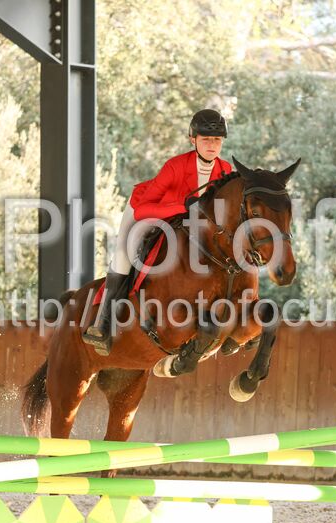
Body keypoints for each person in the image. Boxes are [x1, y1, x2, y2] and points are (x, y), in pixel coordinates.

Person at [83, 109, 233, 355]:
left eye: (217, 140)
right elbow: (144, 208)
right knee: (125, 252)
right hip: (149, 210)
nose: (212, 145)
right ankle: (104, 322)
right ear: (193, 140)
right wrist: (182, 206)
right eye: (206, 139)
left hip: (186, 221)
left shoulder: (225, 170)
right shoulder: (175, 166)